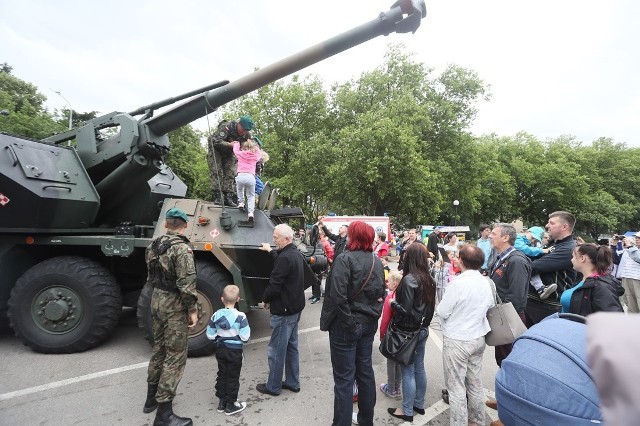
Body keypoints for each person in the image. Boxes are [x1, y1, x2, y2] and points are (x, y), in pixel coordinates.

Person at [319, 221, 385, 426]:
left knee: (345, 379)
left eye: (349, 234)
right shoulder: (376, 261)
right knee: (364, 374)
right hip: (365, 325)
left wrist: (350, 324)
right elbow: (380, 294)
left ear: (354, 237)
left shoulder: (344, 259)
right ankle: (366, 420)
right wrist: (372, 317)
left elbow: (337, 297)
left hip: (347, 327)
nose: (345, 236)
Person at [142, 207, 198, 426]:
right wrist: (192, 310)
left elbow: (150, 277)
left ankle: (150, 399)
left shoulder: (153, 246)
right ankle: (164, 413)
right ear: (184, 225)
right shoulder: (182, 249)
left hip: (156, 300)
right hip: (174, 304)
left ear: (166, 224)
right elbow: (186, 284)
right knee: (175, 355)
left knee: (159, 348)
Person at [436, 245, 494, 426]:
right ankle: (476, 421)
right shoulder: (487, 282)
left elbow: (443, 311)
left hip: (458, 339)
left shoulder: (458, 283)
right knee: (475, 384)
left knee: (456, 388)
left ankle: (459, 422)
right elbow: (490, 306)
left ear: (461, 260)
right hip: (478, 337)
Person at [484, 223, 532, 413]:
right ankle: (504, 401)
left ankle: (512, 412)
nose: (490, 236)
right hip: (501, 316)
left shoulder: (517, 260)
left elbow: (517, 296)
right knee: (502, 361)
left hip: (508, 317)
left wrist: (502, 319)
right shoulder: (502, 257)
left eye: (493, 234)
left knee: (511, 363)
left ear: (505, 237)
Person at [388, 243, 436, 423]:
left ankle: (407, 410)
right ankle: (418, 404)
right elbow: (430, 307)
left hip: (409, 332)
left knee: (408, 370)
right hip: (422, 329)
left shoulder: (409, 280)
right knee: (419, 367)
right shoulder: (428, 278)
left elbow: (405, 310)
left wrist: (393, 304)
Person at [256, 224, 306, 397]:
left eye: (276, 237)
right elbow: (281, 262)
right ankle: (293, 382)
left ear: (286, 239)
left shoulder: (285, 258)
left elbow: (275, 284)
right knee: (292, 347)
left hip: (284, 311)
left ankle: (273, 386)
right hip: (294, 309)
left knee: (276, 350)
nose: (273, 239)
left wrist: (265, 299)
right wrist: (271, 251)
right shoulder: (295, 254)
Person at [526, 211, 578, 327]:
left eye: (551, 223)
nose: (547, 226)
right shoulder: (553, 245)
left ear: (564, 227)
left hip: (549, 306)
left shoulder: (568, 248)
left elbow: (533, 267)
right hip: (534, 302)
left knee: (541, 342)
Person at [206, 284, 251, 416]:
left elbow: (210, 335)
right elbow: (245, 337)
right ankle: (231, 405)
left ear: (222, 299)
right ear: (238, 299)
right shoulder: (240, 317)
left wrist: (219, 339)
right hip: (235, 351)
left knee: (222, 373)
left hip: (221, 350)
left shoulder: (216, 315)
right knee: (232, 377)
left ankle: (222, 402)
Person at [207, 115, 255, 207]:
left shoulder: (246, 135)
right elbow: (215, 140)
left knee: (231, 172)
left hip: (230, 152)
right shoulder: (227, 127)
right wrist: (229, 144)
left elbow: (248, 146)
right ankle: (217, 196)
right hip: (216, 149)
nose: (244, 132)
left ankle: (228, 197)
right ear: (238, 124)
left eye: (246, 130)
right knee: (216, 170)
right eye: (243, 129)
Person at [564, 243, 624, 315]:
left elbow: (613, 318)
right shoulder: (584, 279)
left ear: (582, 258)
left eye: (573, 256)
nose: (571, 260)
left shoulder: (600, 286)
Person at [379, 271, 403, 399]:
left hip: (392, 334)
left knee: (391, 361)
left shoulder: (390, 298)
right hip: (403, 334)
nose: (386, 283)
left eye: (388, 281)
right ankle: (397, 388)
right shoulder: (405, 296)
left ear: (394, 284)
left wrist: (382, 334)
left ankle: (390, 388)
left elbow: (385, 319)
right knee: (399, 361)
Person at [515, 226, 557, 299]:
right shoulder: (518, 238)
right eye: (533, 237)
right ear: (527, 232)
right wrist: (543, 250)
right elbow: (524, 249)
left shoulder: (529, 243)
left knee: (533, 268)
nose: (533, 240)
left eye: (536, 239)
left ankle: (540, 289)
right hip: (513, 263)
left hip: (521, 262)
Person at [232, 138, 262, 221]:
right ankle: (251, 213)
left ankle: (241, 203)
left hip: (240, 175)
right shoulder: (255, 156)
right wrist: (256, 147)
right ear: (253, 149)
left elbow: (235, 150)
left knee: (240, 189)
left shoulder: (240, 154)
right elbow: (259, 154)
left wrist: (237, 143)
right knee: (251, 196)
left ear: (243, 148)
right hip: (250, 177)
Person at [617, 232, 640, 313]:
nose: (637, 239)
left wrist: (631, 246)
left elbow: (638, 258)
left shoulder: (633, 249)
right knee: (630, 304)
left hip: (637, 279)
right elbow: (616, 259)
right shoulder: (632, 249)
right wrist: (614, 244)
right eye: (636, 237)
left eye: (639, 238)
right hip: (626, 277)